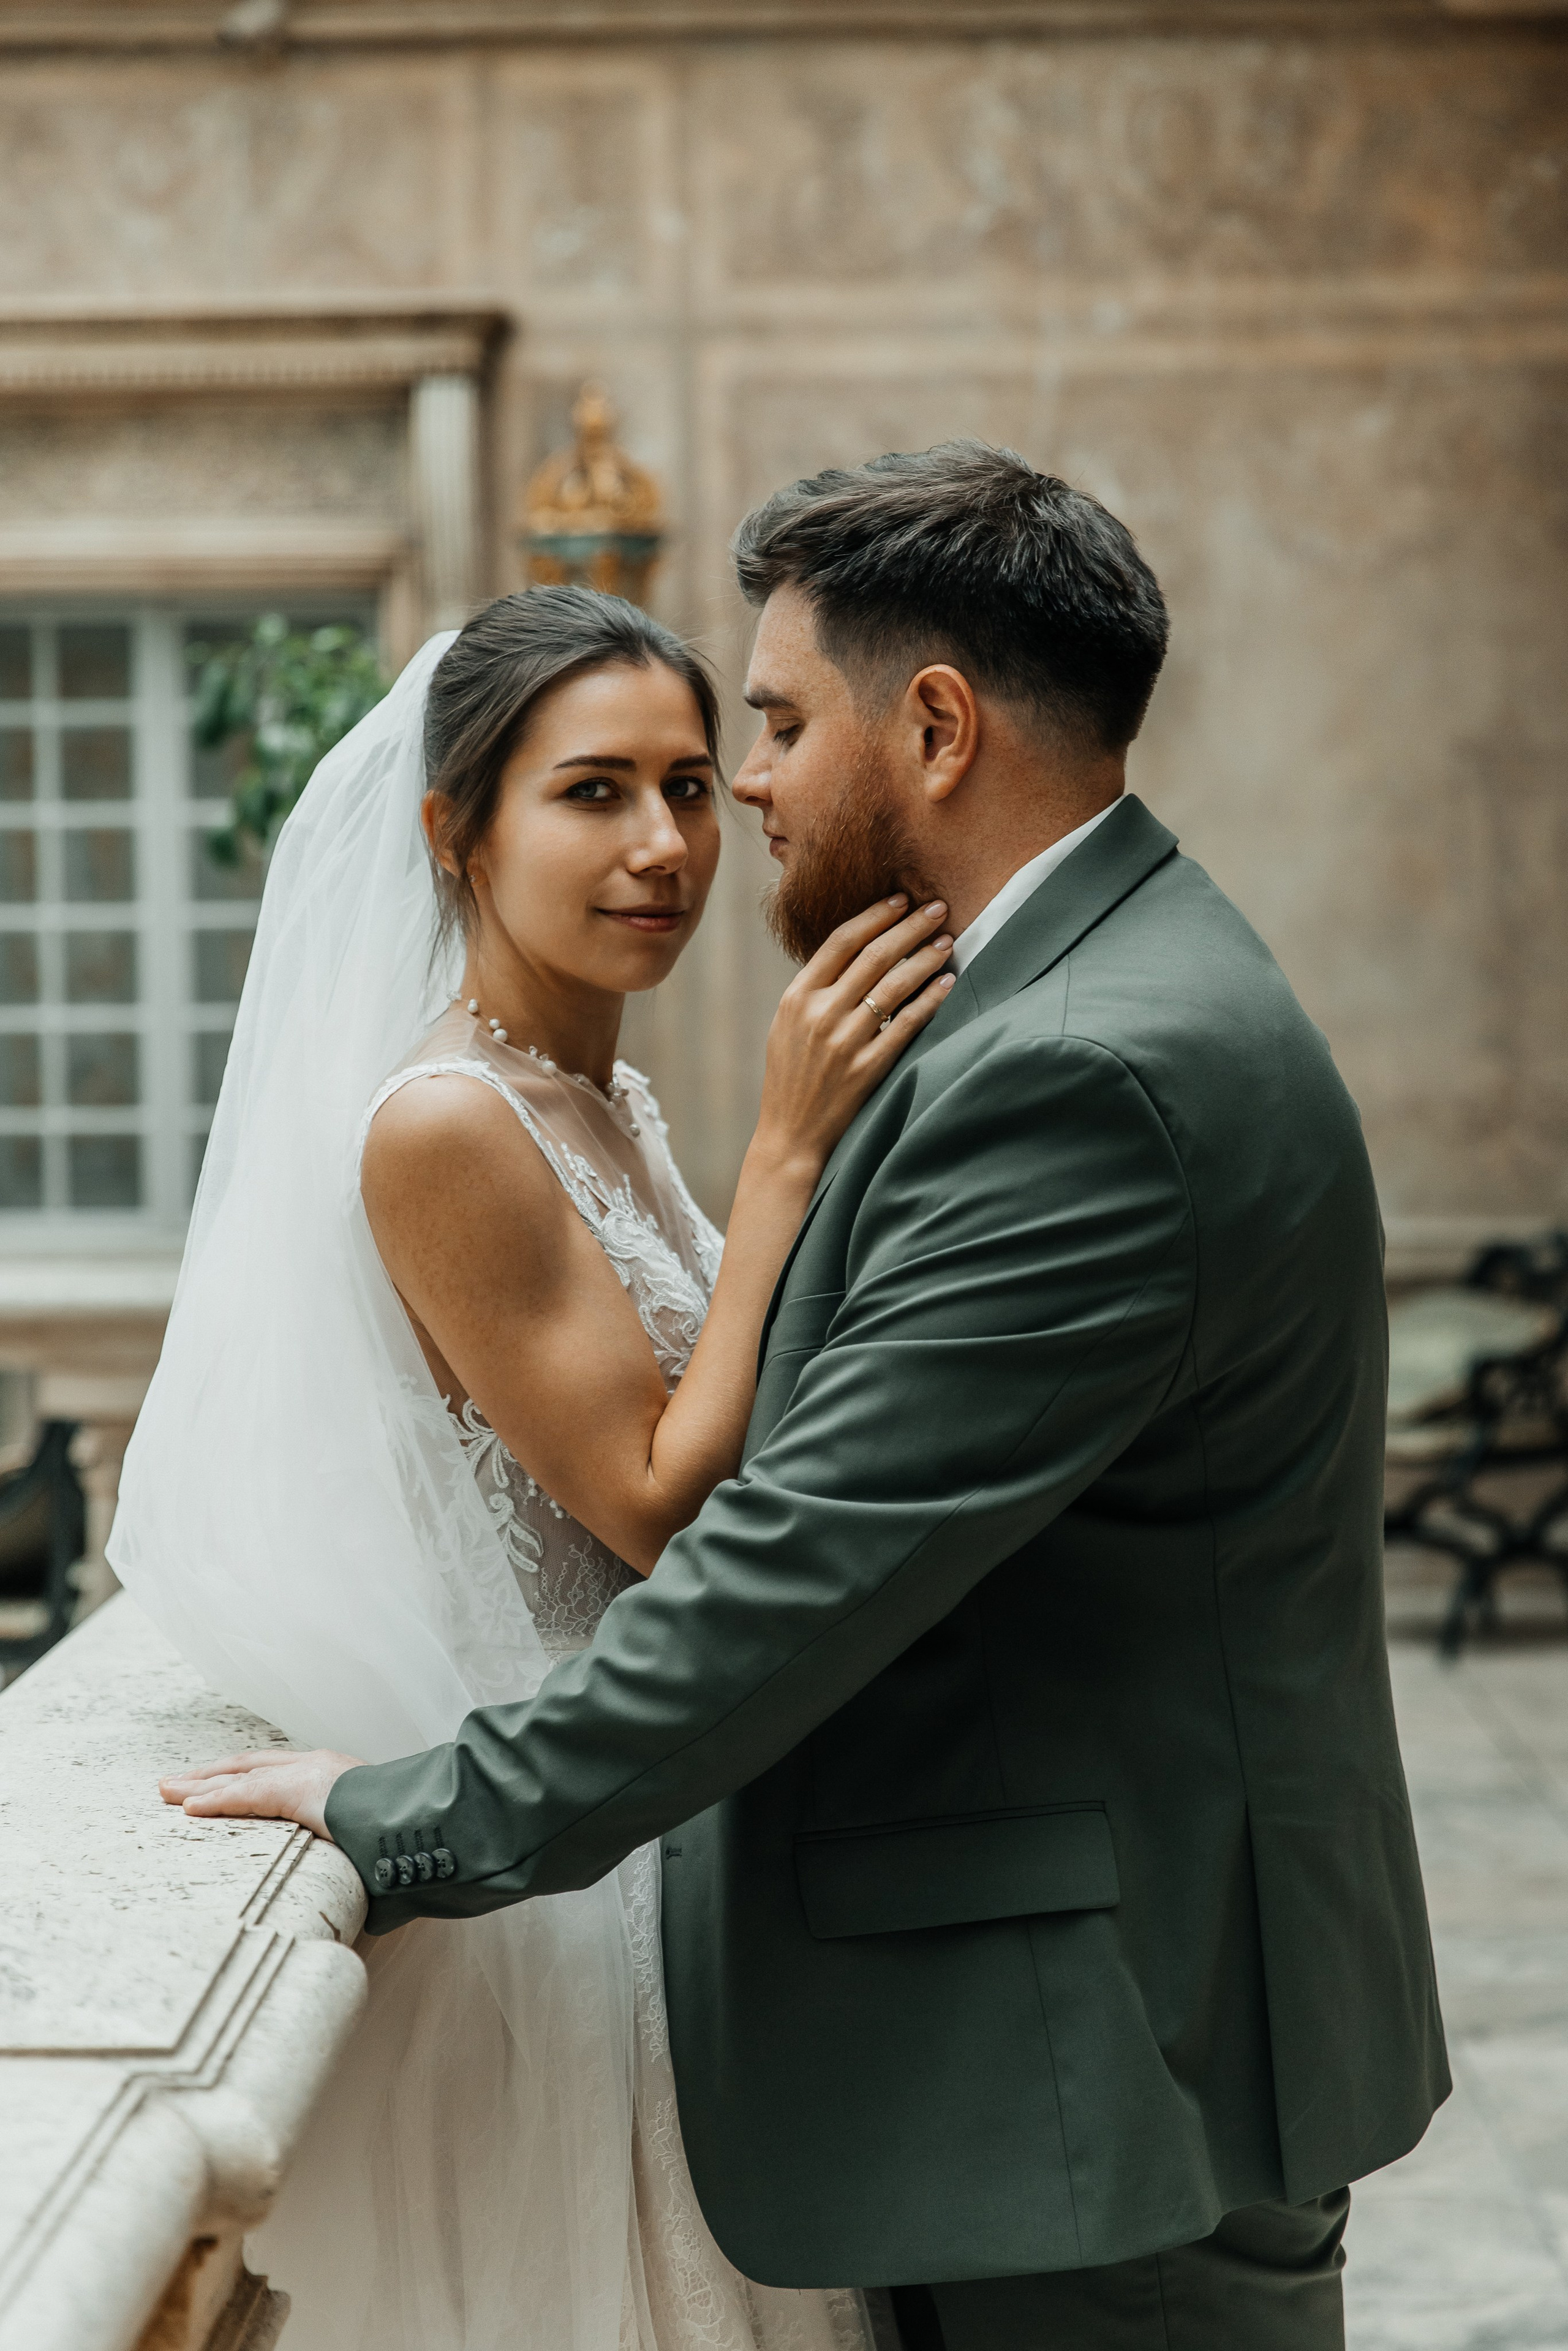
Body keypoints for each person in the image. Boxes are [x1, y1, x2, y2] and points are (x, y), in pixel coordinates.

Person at [158, 444, 1450, 2351]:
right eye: (612, 785)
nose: (728, 799)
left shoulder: (1073, 1071)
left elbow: (791, 1568)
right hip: (1076, 2025)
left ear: (933, 728)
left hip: (1102, 2062)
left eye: (758, 732)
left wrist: (404, 1822)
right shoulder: (1082, 997)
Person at [113, 583, 954, 2351]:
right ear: (454, 831)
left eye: (691, 787)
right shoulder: (448, 1127)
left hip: (675, 1823)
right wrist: (792, 1152)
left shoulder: (598, 1099)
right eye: (591, 792)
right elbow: (650, 1499)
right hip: (575, 1905)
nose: (661, 843)